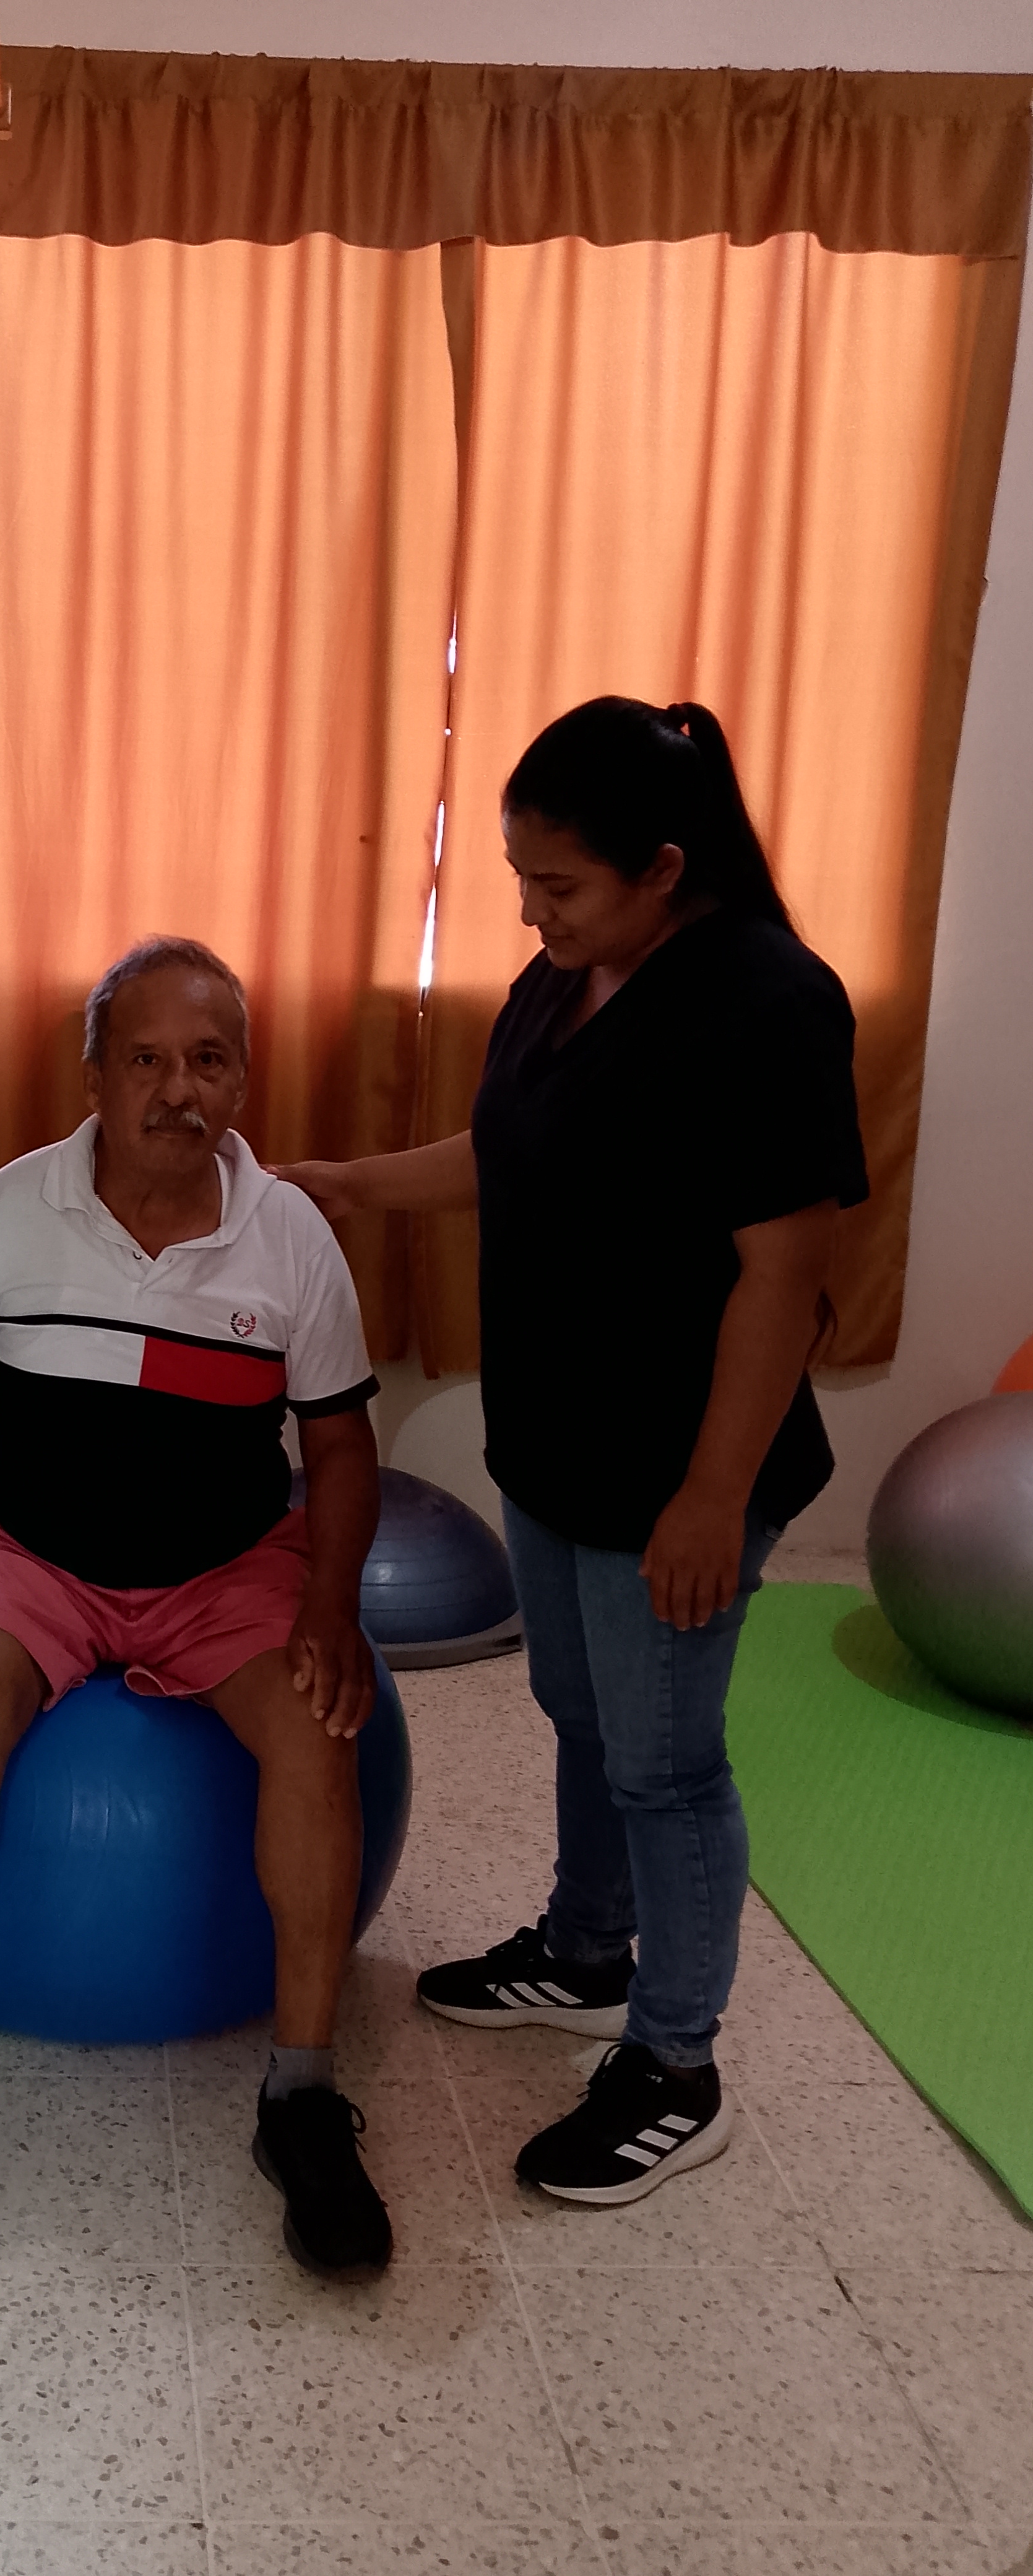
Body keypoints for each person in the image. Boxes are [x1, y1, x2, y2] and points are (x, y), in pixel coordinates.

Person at [278, 698, 867, 2205]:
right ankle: (589, 1950)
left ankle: (677, 2062)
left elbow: (782, 1274)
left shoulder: (769, 1003)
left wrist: (712, 1498)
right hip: (554, 1440)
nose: (533, 913)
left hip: (679, 1467)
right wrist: (354, 1182)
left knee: (667, 1762)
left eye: (560, 886)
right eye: (520, 881)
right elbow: (509, 1150)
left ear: (664, 866)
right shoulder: (562, 983)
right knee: (579, 1710)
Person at [0, 938, 394, 2275]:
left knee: (317, 1730)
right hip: (31, 1551)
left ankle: (301, 2095)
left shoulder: (289, 1235)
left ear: (242, 1080)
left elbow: (340, 1443)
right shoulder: (14, 1207)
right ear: (95, 1073)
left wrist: (331, 1609)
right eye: (146, 1058)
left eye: (208, 1060)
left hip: (226, 1566)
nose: (178, 1089)